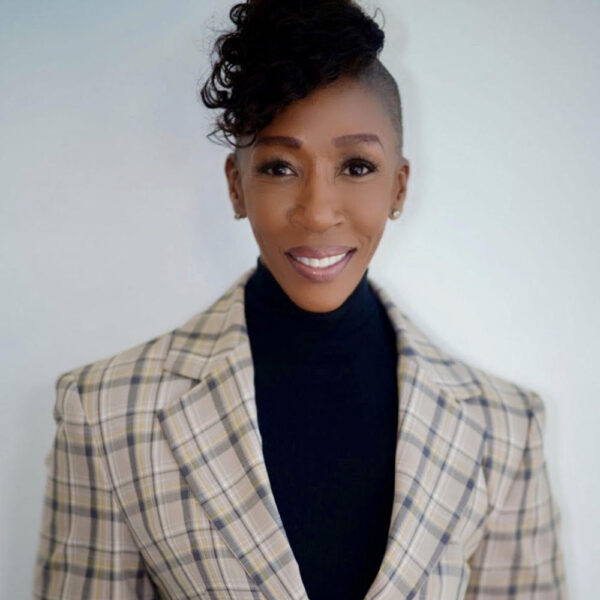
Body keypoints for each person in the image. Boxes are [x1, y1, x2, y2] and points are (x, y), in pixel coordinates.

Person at [33, 1, 567, 598]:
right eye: (280, 168)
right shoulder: (105, 413)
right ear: (236, 186)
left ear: (399, 186)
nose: (316, 213)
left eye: (357, 166)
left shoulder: (504, 428)